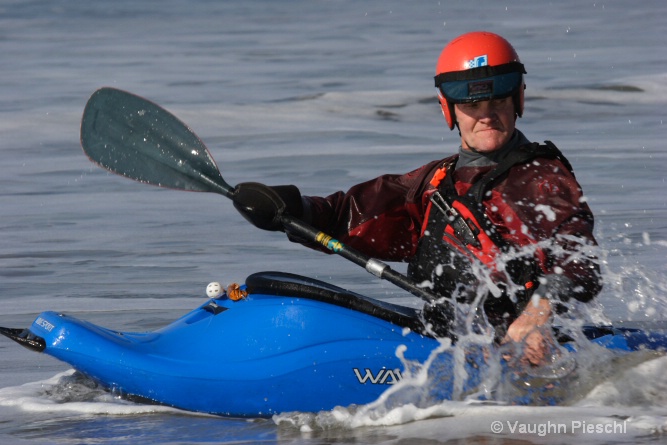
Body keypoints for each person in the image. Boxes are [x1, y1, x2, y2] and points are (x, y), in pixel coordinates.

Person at [231, 31, 602, 367]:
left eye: (497, 101)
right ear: (449, 109)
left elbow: (580, 258)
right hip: (455, 345)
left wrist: (539, 313)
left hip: (530, 352)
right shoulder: (435, 182)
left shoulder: (540, 179)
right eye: (472, 106)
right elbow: (350, 214)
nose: (486, 116)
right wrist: (293, 209)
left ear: (517, 99)